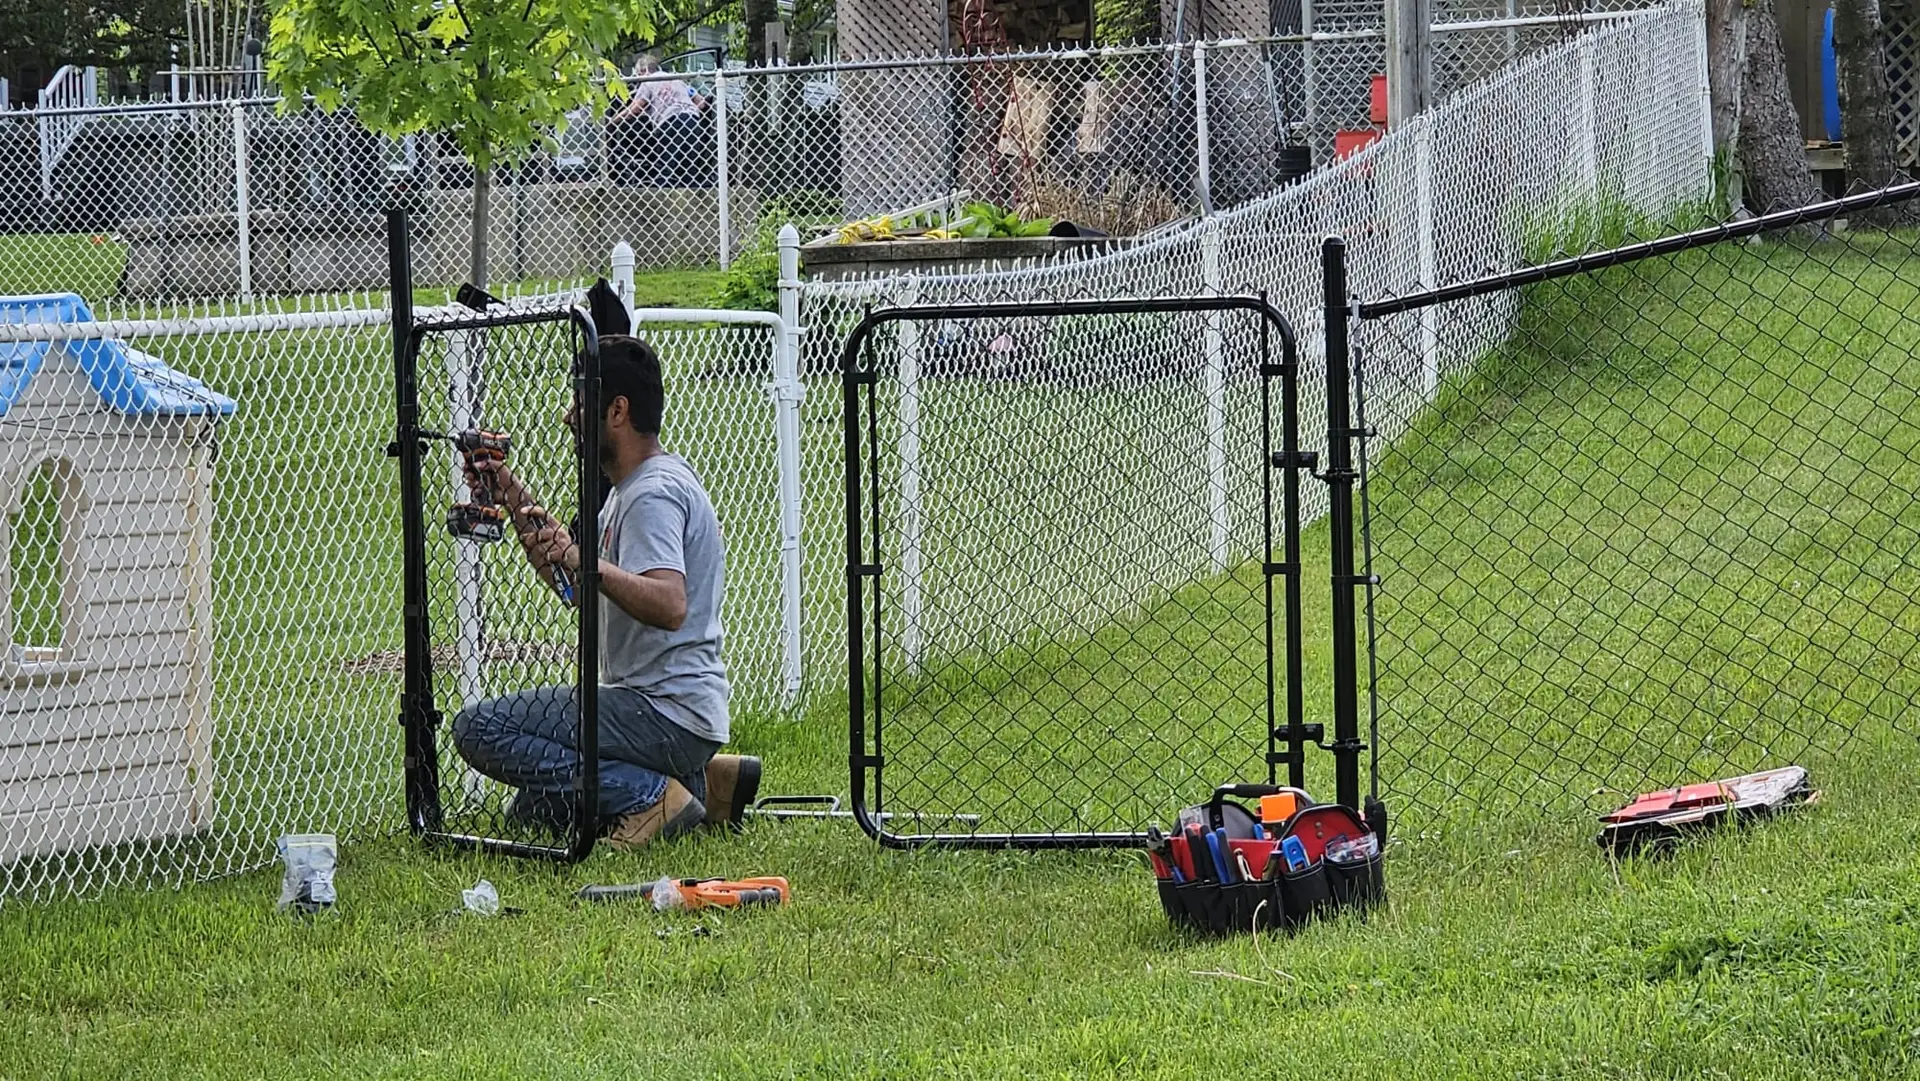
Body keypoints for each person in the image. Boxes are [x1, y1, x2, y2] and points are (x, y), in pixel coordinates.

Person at [450, 335, 760, 849]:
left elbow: (668, 604)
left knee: (476, 729)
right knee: (532, 813)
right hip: (666, 714)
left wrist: (584, 560)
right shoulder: (631, 491)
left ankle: (654, 794)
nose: (570, 416)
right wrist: (508, 492)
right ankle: (710, 783)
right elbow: (580, 588)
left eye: (579, 401)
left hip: (661, 711)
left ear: (616, 410)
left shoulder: (652, 494)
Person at [608, 54, 708, 186]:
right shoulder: (677, 80)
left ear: (645, 70)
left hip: (670, 122)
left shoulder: (648, 82)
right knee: (689, 168)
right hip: (692, 121)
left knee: (666, 166)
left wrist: (613, 121)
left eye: (638, 75)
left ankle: (664, 195)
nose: (638, 80)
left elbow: (636, 108)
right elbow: (701, 102)